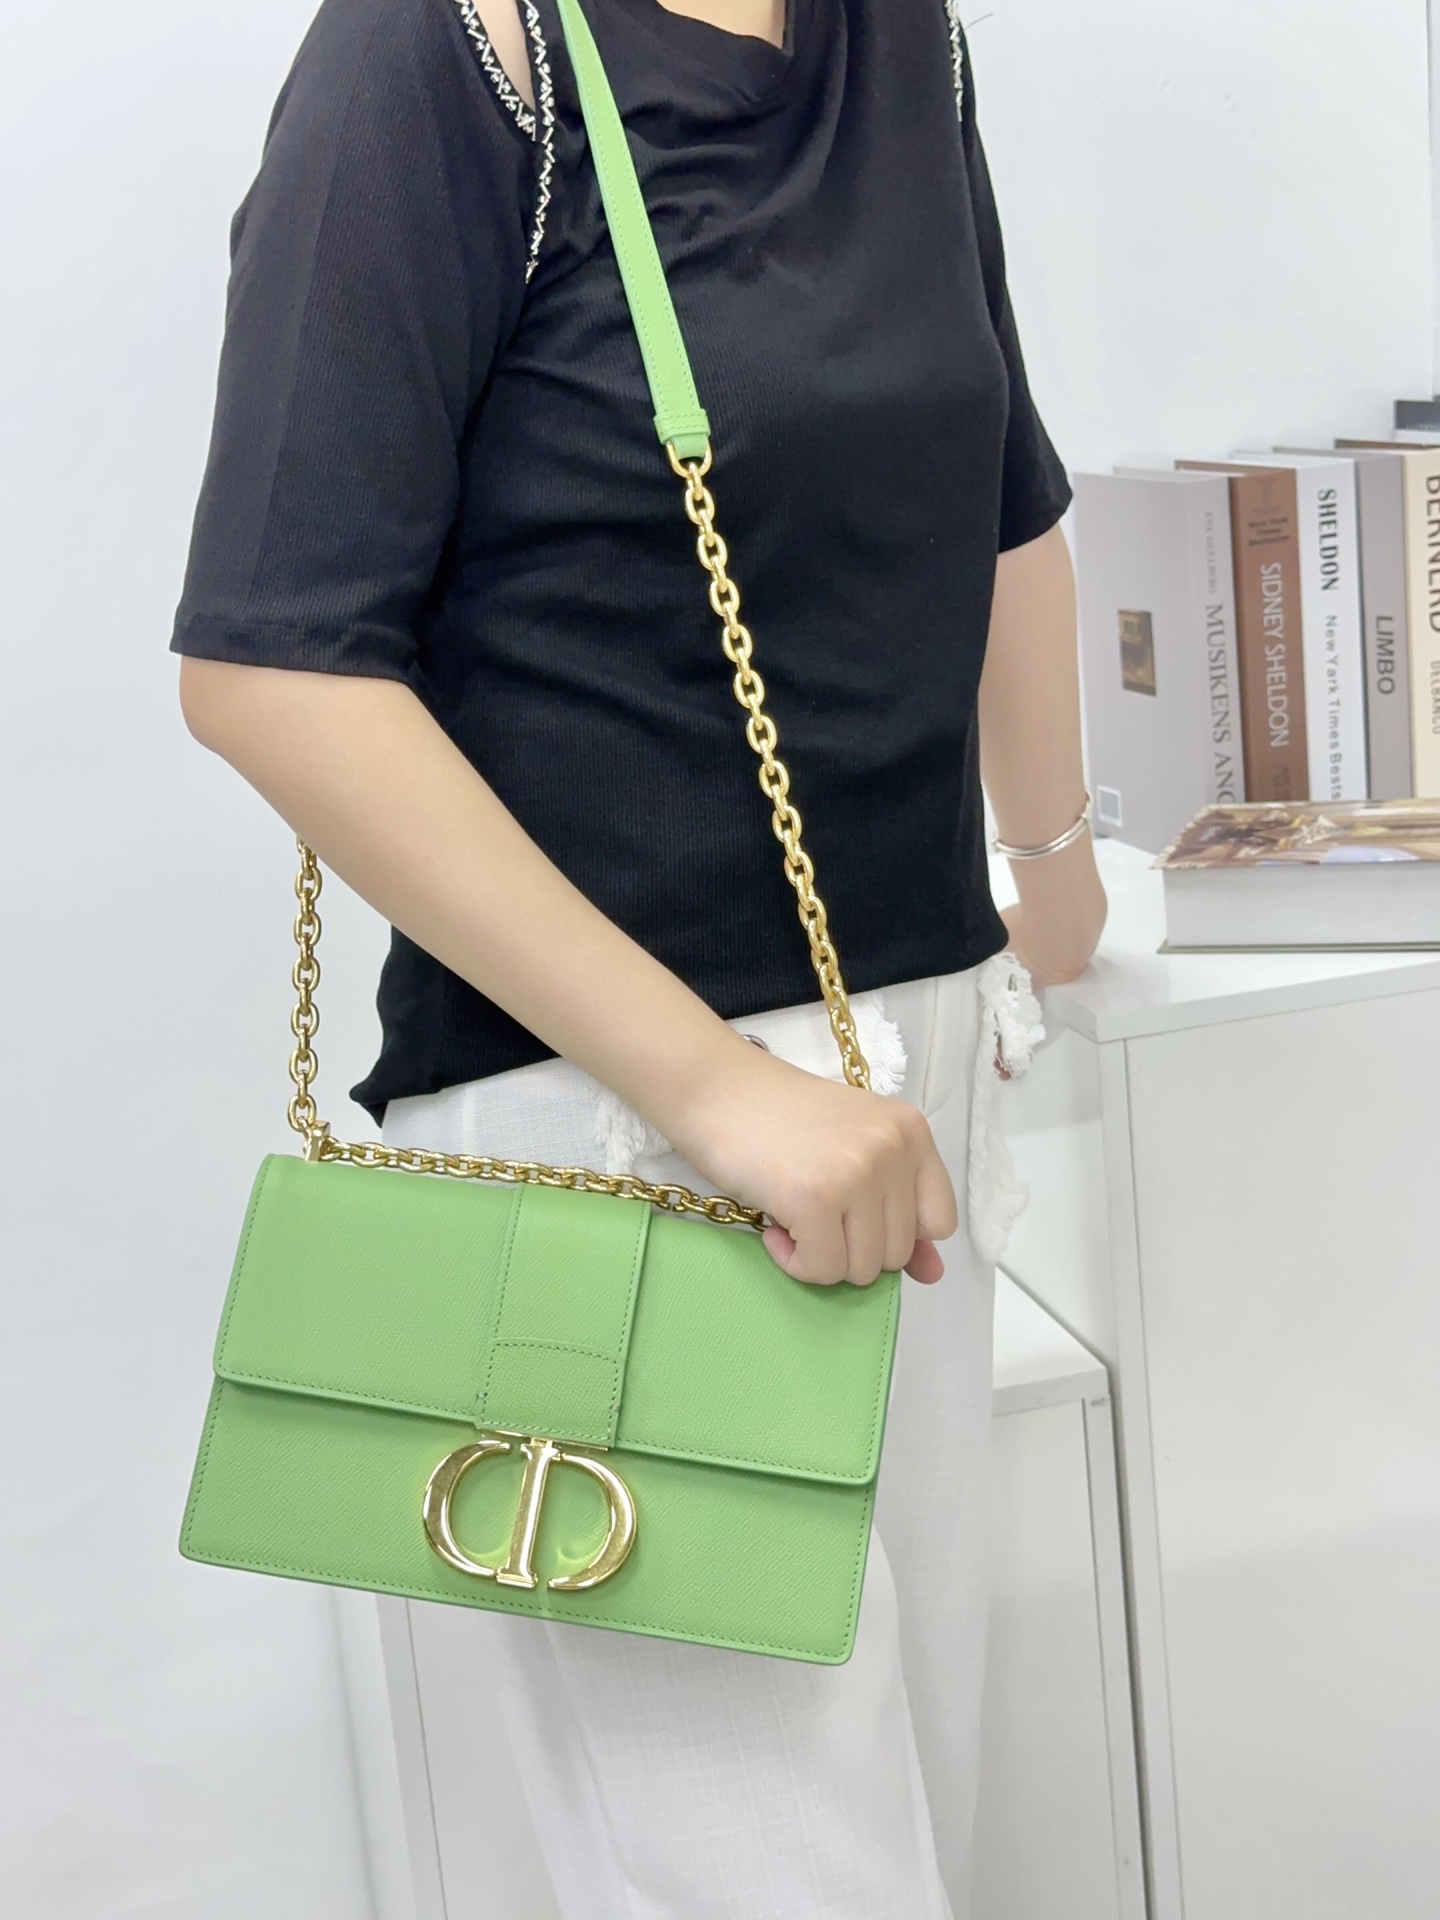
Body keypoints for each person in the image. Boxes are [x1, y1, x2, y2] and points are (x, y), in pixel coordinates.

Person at [172, 0, 1107, 1911]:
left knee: (915, 1804)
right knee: (787, 1877)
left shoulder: (902, 38)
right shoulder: (442, 53)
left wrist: (1051, 860)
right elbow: (270, 668)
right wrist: (722, 1093)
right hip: (623, 1138)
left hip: (909, 1085)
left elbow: (1000, 491)